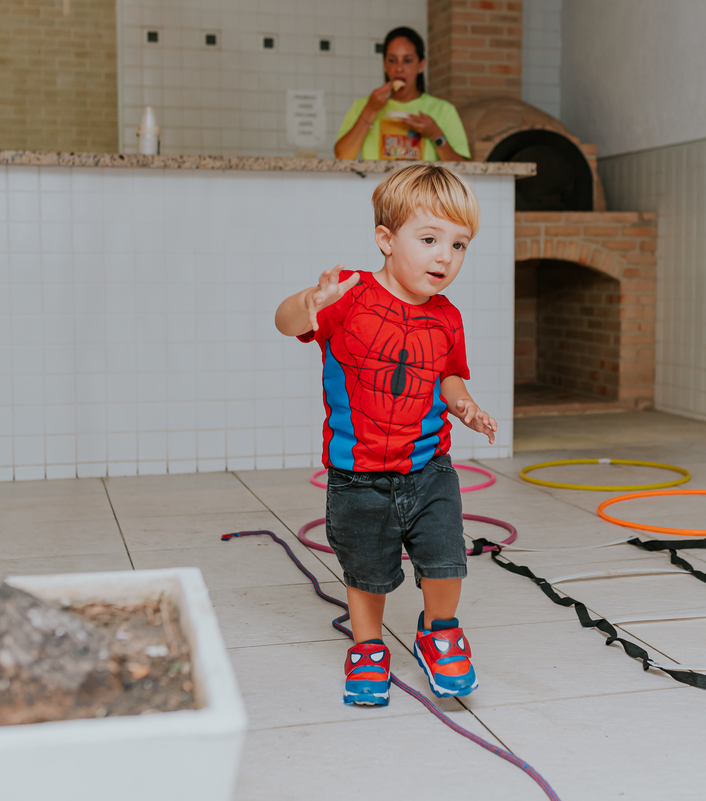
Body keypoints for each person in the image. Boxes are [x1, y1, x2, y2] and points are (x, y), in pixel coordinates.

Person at [274, 164, 496, 706]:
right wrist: (310, 303)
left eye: (459, 244)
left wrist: (463, 403)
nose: (445, 256)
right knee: (366, 572)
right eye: (429, 239)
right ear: (386, 239)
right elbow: (283, 321)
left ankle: (439, 630)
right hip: (357, 475)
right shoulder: (348, 296)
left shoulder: (448, 318)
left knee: (446, 558)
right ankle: (368, 646)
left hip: (429, 467)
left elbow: (445, 375)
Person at [334, 27, 471, 163]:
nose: (399, 68)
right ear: (385, 65)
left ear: (421, 66)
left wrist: (435, 135)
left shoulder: (443, 110)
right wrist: (371, 109)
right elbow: (342, 156)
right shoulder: (364, 105)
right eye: (392, 60)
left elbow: (463, 171)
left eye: (407, 61)